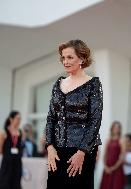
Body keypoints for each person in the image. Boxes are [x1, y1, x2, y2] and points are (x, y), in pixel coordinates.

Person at [45, 39, 103, 189]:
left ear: (82, 58)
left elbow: (95, 121)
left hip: (82, 151)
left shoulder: (93, 84)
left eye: (70, 57)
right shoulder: (58, 84)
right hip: (56, 150)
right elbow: (51, 118)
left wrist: (82, 152)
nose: (65, 61)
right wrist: (49, 147)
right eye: (63, 58)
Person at [0, 111, 23, 189]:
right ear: (11, 119)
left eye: (20, 119)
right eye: (17, 118)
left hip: (17, 162)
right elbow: (0, 149)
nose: (19, 121)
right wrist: (7, 155)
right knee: (5, 182)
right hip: (7, 163)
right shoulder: (4, 132)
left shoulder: (20, 132)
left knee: (16, 182)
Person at [100, 121, 125, 189]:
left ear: (120, 129)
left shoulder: (121, 140)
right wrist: (105, 166)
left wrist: (113, 168)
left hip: (116, 168)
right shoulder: (108, 140)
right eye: (114, 127)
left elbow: (122, 156)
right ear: (112, 129)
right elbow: (105, 154)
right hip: (107, 167)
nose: (116, 129)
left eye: (117, 128)